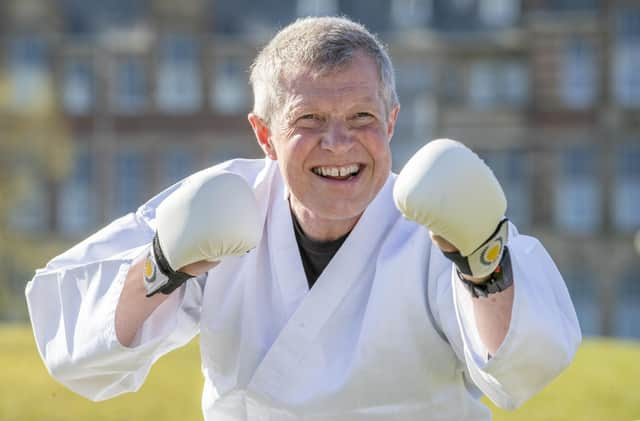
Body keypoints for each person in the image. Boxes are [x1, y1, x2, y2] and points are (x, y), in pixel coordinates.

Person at [26, 16, 580, 420]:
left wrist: (484, 264)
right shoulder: (225, 202)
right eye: (308, 119)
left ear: (391, 122)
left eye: (361, 116)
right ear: (264, 134)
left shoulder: (439, 217)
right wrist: (162, 266)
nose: (338, 144)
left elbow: (519, 372)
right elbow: (79, 353)